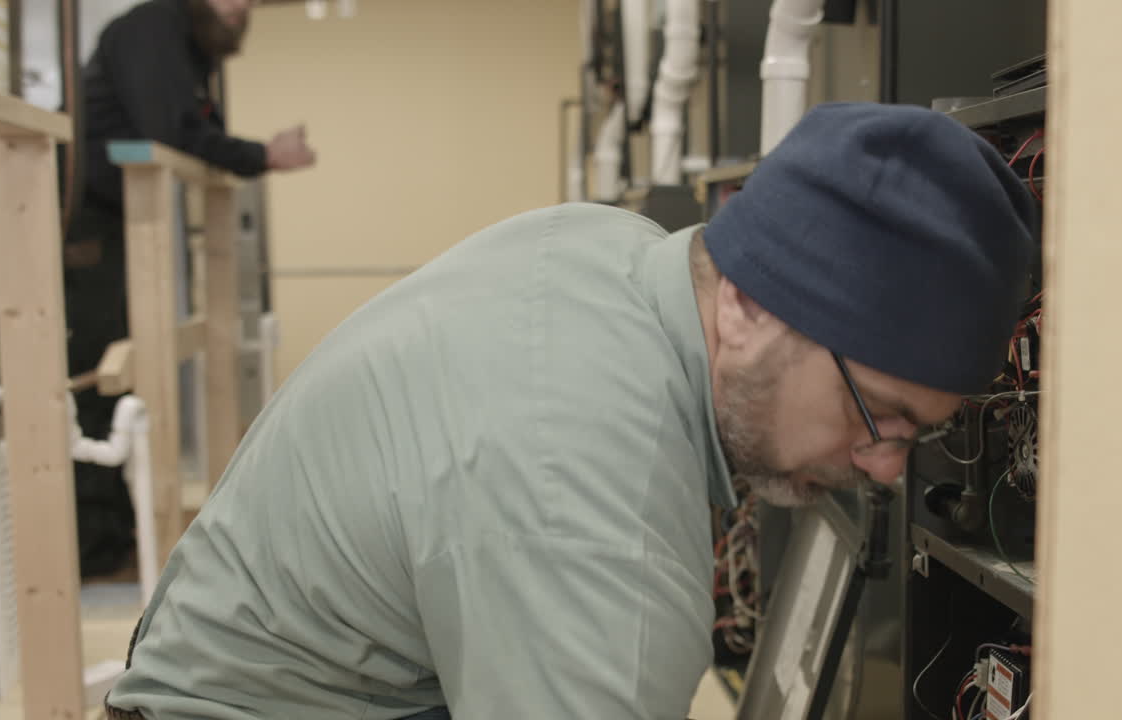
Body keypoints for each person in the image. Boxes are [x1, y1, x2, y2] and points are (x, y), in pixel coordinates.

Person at [105, 103, 1037, 719]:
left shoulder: (610, 253)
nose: (884, 467)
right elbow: (578, 535)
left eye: (923, 433)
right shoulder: (589, 503)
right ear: (750, 306)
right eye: (878, 413)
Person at [65, 0, 314, 577]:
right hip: (86, 221)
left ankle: (118, 538)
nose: (241, 9)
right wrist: (262, 156)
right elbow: (172, 130)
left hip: (115, 221)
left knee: (116, 382)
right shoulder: (152, 30)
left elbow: (199, 129)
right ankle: (99, 551)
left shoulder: (186, 48)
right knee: (100, 379)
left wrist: (250, 155)